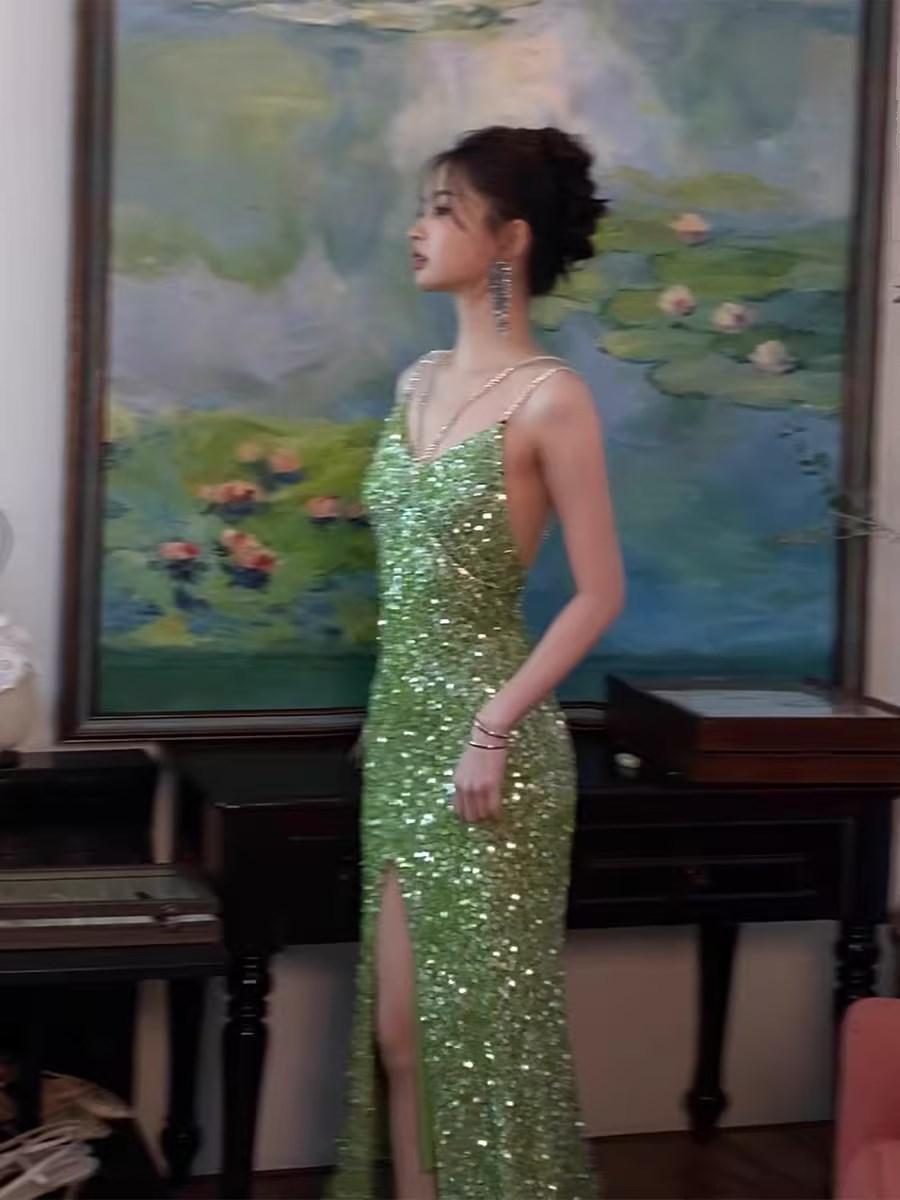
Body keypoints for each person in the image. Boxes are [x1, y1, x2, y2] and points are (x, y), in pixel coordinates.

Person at [328, 125, 625, 1200]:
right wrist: (391, 718)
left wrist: (492, 726)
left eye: (444, 210)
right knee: (400, 1033)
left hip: (493, 747)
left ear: (509, 240)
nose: (419, 228)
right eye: (425, 207)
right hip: (404, 735)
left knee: (481, 1033)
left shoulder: (552, 399)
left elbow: (599, 594)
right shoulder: (415, 384)